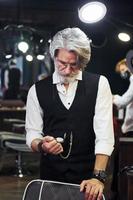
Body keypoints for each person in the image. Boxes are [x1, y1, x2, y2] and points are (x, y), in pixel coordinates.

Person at [25, 27, 114, 200]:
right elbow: (32, 134)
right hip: (51, 178)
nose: (66, 70)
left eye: (73, 65)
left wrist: (98, 177)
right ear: (54, 56)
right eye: (61, 63)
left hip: (87, 178)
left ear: (82, 61)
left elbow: (105, 136)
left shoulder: (99, 84)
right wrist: (42, 145)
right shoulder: (36, 90)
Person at [113, 58, 133, 136]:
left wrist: (112, 97)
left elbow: (122, 103)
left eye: (123, 69)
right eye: (121, 71)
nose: (122, 73)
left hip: (130, 129)